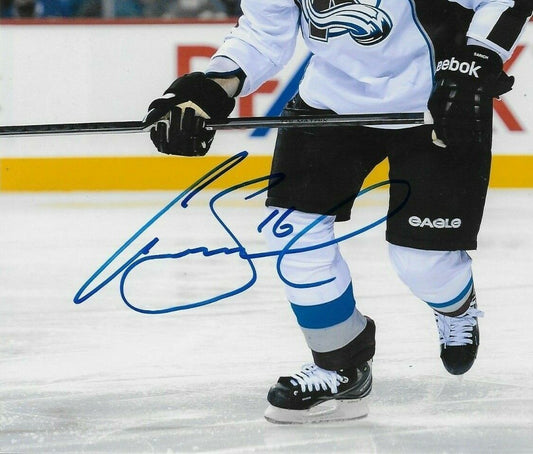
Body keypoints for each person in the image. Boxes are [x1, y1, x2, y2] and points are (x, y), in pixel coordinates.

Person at [145, 0, 532, 424]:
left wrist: (476, 60)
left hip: (438, 103)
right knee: (290, 233)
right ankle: (341, 365)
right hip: (330, 101)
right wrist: (208, 88)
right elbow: (262, 33)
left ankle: (455, 306)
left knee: (422, 264)